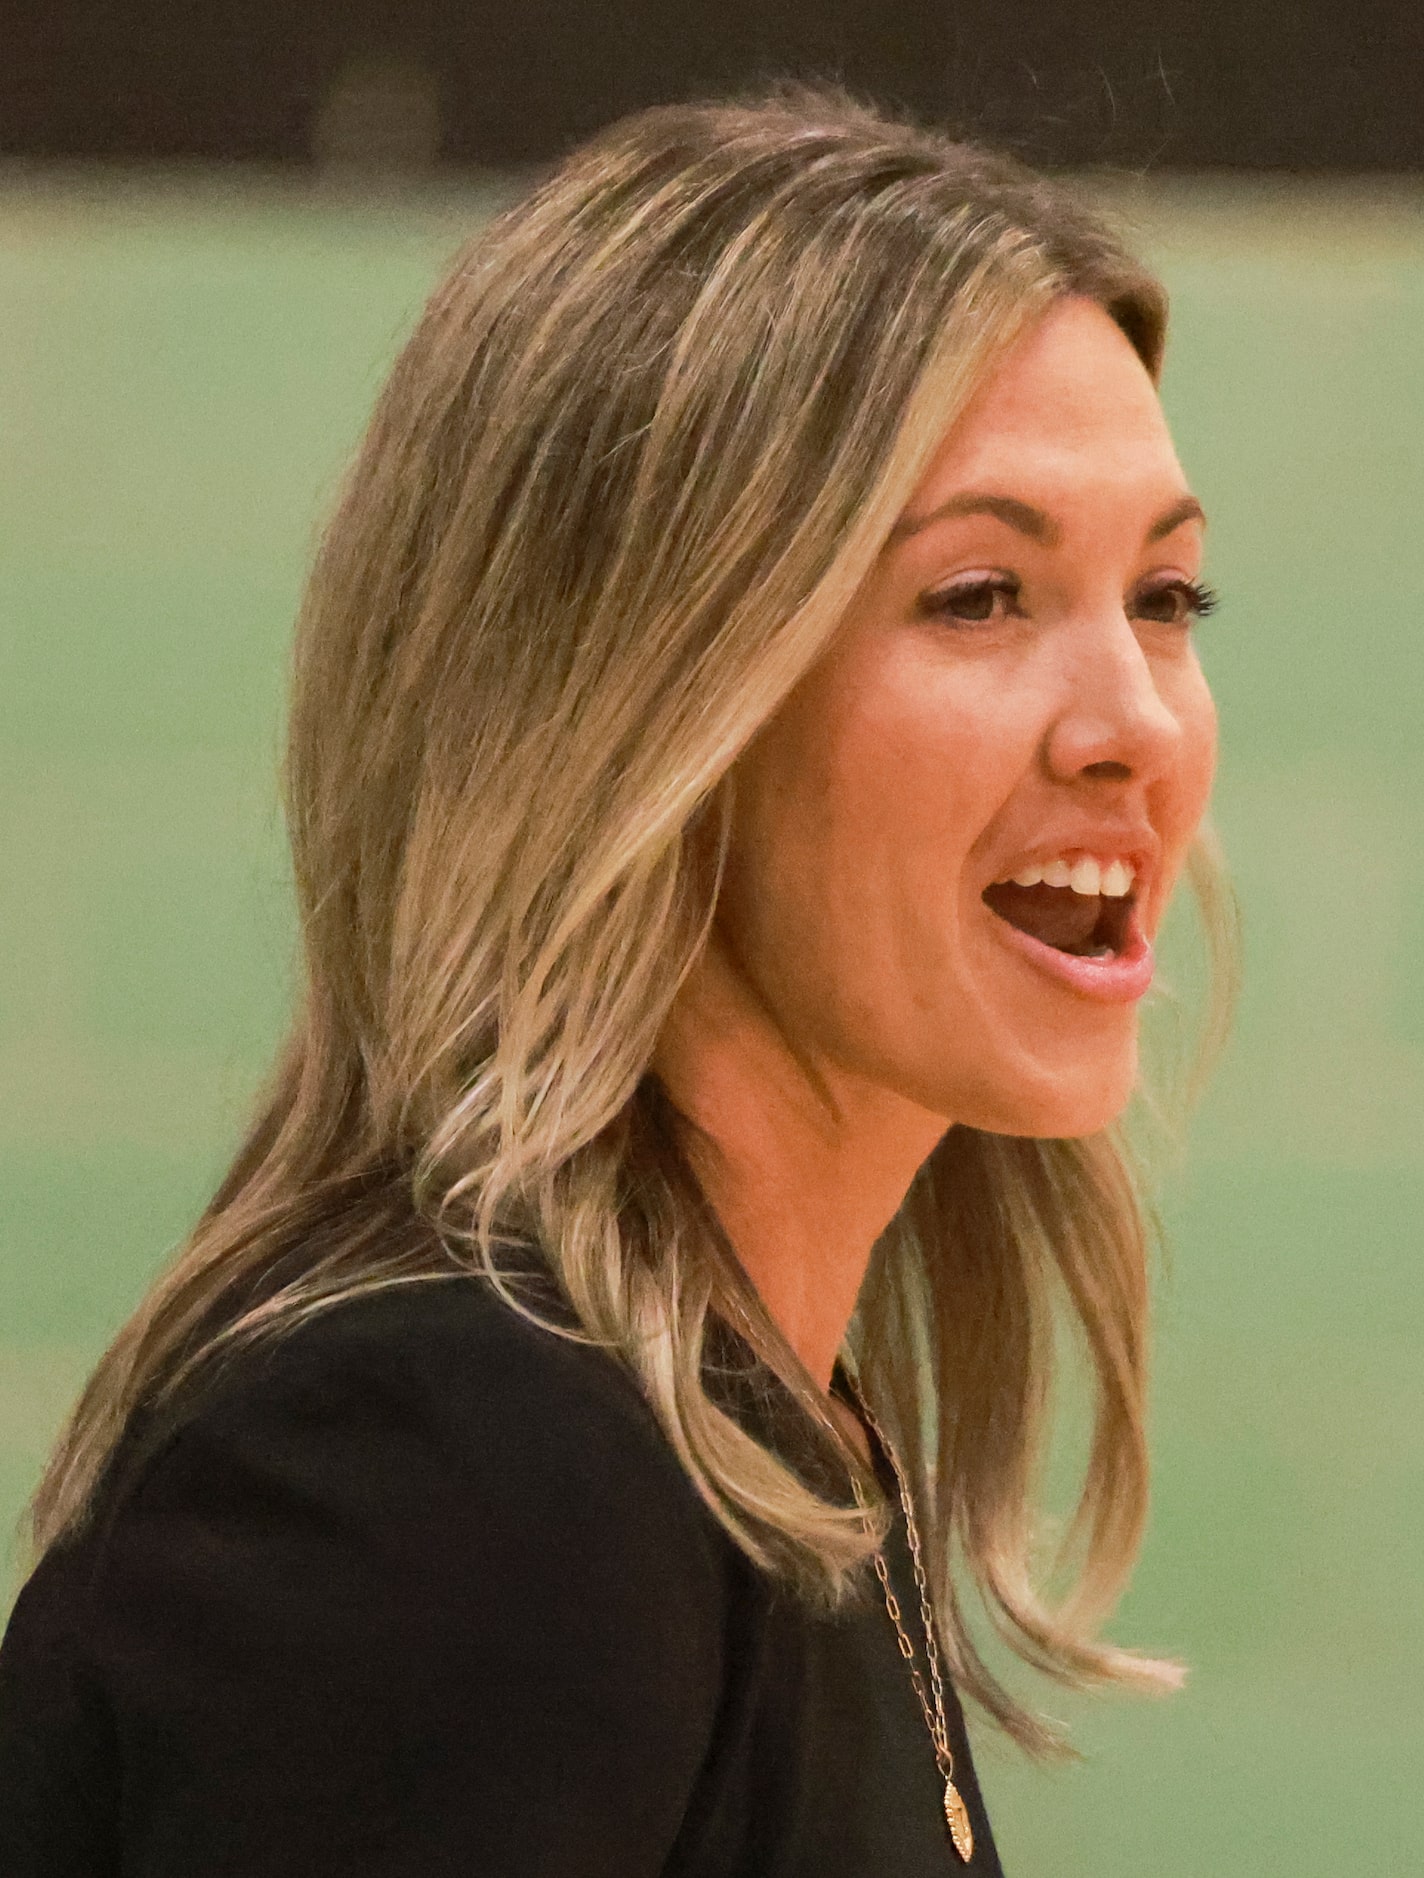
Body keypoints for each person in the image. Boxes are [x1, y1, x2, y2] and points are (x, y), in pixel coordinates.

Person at [0, 87, 1231, 1874]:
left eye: (1172, 599)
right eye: (979, 595)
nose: (1133, 723)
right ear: (653, 698)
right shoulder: (467, 1458)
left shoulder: (738, 1424)